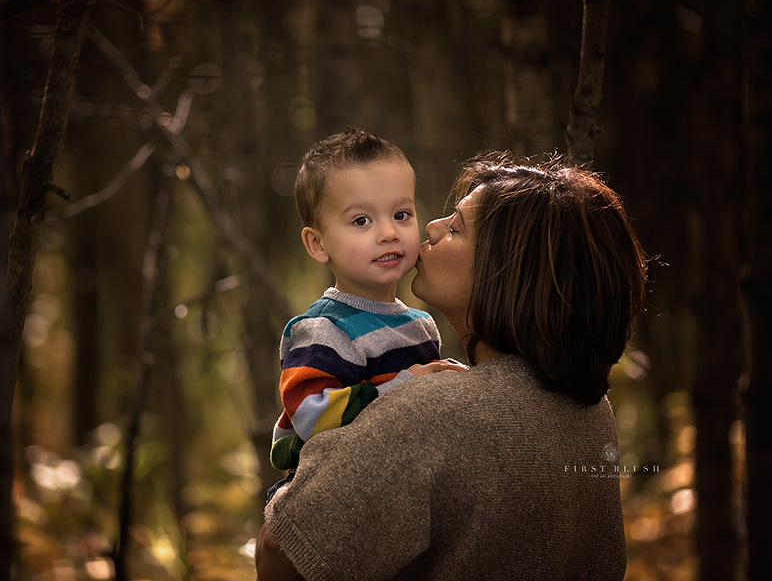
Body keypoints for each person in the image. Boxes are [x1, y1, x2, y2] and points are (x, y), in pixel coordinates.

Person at [256, 152, 648, 580]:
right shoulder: (592, 411)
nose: (429, 227)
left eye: (456, 228)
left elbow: (283, 553)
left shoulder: (434, 412)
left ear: (506, 270)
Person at [268, 127, 464, 495]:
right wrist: (409, 387)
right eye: (362, 221)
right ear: (317, 243)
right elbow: (312, 416)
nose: (389, 232)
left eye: (402, 214)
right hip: (325, 497)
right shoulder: (323, 329)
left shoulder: (421, 325)